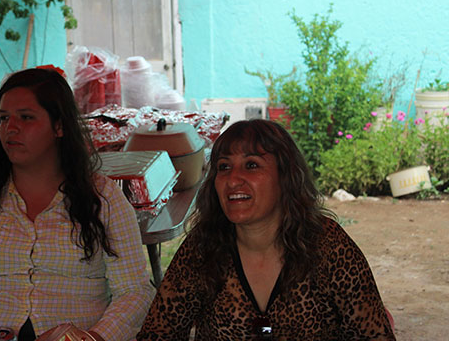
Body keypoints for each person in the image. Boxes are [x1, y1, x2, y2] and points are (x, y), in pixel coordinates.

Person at [0, 67, 154, 341]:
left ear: (59, 126)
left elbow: (134, 292)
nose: (11, 128)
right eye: (4, 118)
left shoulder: (103, 199)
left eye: (26, 117)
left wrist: (92, 338)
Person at [137, 119, 395, 340]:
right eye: (224, 167)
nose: (233, 179)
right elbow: (158, 332)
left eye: (251, 165)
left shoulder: (327, 246)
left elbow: (374, 334)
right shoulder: (204, 247)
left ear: (285, 177)